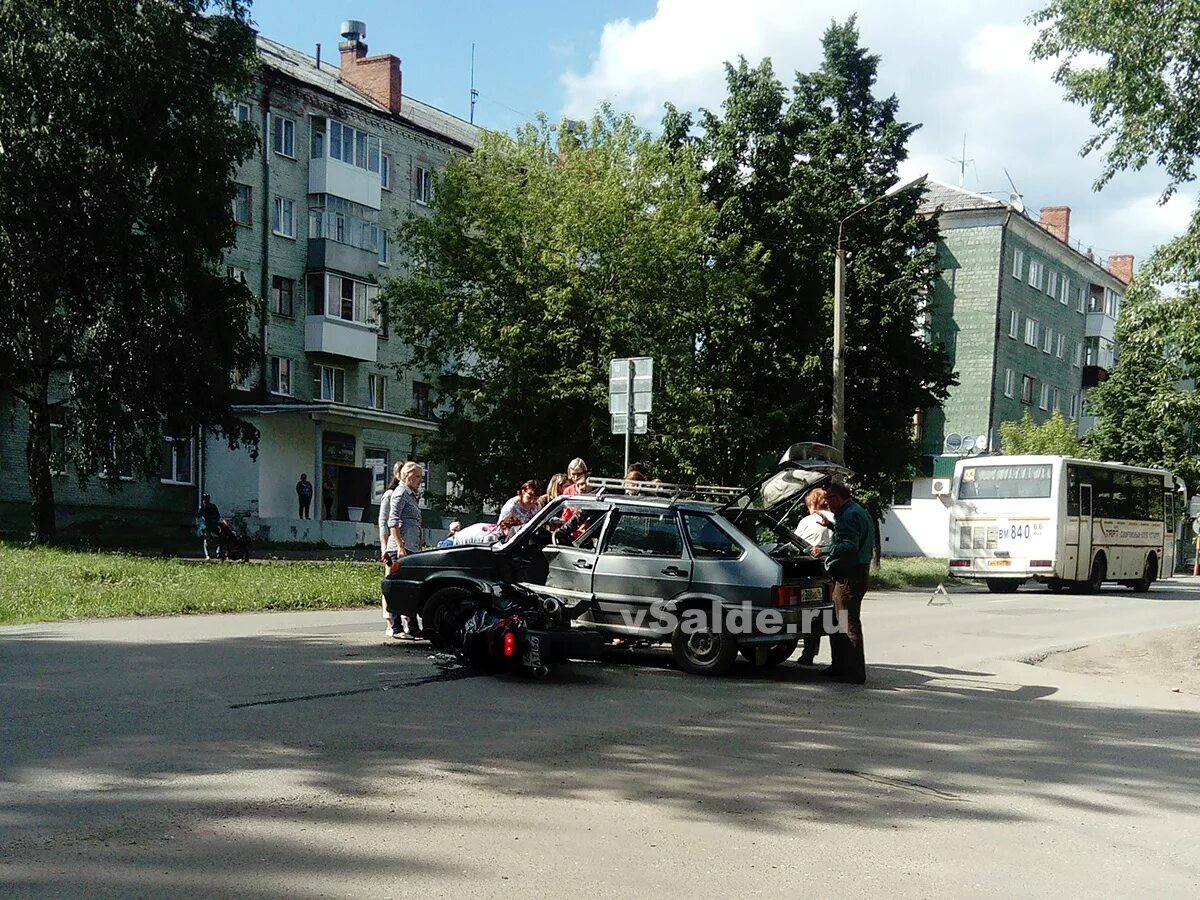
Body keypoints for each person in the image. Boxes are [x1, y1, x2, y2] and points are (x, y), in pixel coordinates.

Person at [809, 482, 874, 684]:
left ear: (838, 498)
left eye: (829, 499)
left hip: (849, 577)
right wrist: (831, 527)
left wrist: (824, 550)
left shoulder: (849, 515)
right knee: (838, 622)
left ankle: (854, 673)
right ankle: (839, 666)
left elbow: (849, 545)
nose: (827, 504)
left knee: (847, 623)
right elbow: (850, 534)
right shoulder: (857, 511)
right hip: (854, 574)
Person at [794, 487, 835, 665]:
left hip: (809, 568)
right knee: (824, 611)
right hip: (830, 569)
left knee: (808, 612)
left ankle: (807, 652)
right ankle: (815, 652)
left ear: (813, 503)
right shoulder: (836, 519)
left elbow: (795, 542)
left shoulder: (808, 521)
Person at [388, 461, 425, 640]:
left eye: (421, 477)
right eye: (417, 476)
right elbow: (393, 521)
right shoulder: (400, 493)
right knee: (398, 588)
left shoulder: (412, 495)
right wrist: (400, 546)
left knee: (410, 589)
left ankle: (413, 627)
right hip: (399, 549)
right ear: (407, 475)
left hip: (412, 547)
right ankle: (396, 627)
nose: (420, 481)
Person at [378, 476, 401, 637]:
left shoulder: (410, 495)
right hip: (392, 547)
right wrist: (384, 548)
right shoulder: (390, 495)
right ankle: (390, 623)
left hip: (405, 547)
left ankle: (403, 623)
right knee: (390, 585)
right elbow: (384, 523)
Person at [197, 493, 221, 561]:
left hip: (213, 525)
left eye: (206, 499)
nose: (205, 501)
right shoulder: (202, 509)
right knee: (206, 540)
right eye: (204, 499)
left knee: (221, 537)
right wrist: (202, 528)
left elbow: (218, 516)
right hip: (206, 527)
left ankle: (218, 552)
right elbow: (199, 519)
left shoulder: (213, 507)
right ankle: (207, 555)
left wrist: (213, 520)